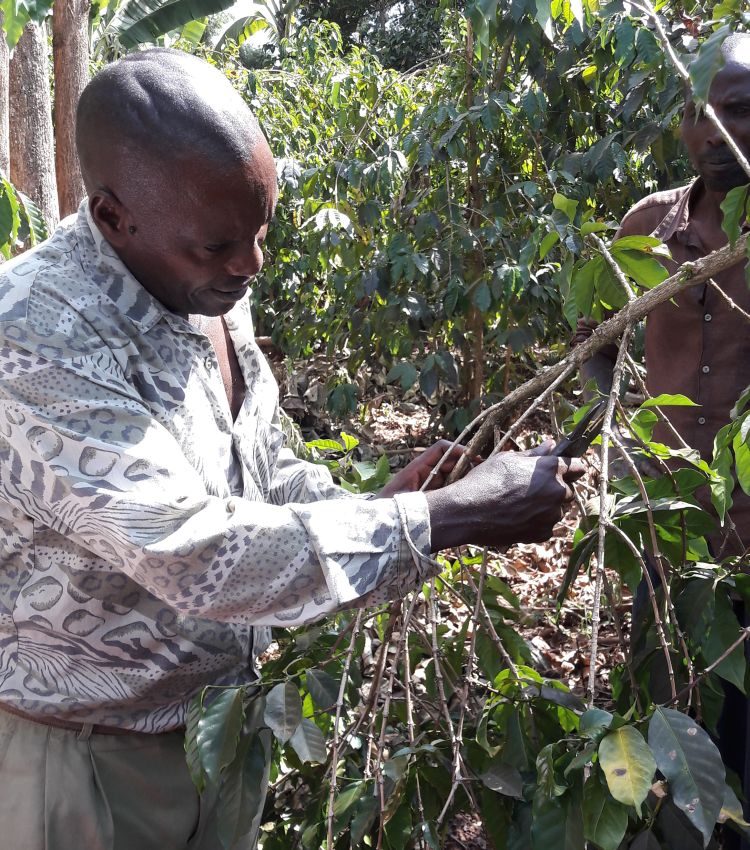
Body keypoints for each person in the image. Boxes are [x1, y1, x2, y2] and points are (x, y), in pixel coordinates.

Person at [0, 49, 582, 850]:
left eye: (261, 230)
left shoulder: (203, 286)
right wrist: (445, 517)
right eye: (218, 245)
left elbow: (265, 471)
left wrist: (379, 503)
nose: (252, 264)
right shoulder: (32, 335)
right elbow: (194, 551)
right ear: (112, 217)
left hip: (219, 737)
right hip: (87, 769)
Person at [576, 32, 750, 849]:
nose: (714, 132)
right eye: (697, 112)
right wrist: (627, 433)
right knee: (669, 710)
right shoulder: (651, 225)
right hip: (666, 534)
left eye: (739, 111)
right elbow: (598, 340)